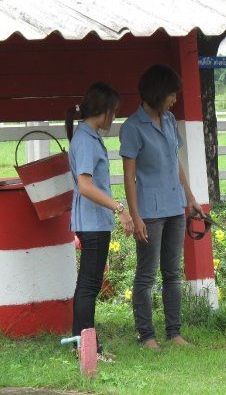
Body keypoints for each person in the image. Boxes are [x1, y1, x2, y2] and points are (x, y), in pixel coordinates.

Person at [119, 64, 202, 349]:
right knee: (146, 274)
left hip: (174, 206)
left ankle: (174, 332)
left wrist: (190, 198)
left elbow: (175, 162)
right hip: (149, 212)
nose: (174, 99)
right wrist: (135, 215)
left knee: (172, 273)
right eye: (171, 94)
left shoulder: (168, 120)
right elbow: (129, 176)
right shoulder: (132, 127)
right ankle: (146, 336)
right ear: (156, 93)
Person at [66, 82, 134, 359]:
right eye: (114, 111)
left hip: (96, 221)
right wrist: (120, 208)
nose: (114, 117)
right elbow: (85, 186)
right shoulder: (84, 139)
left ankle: (81, 345)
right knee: (89, 286)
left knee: (88, 285)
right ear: (104, 111)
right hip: (92, 223)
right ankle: (86, 348)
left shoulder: (89, 136)